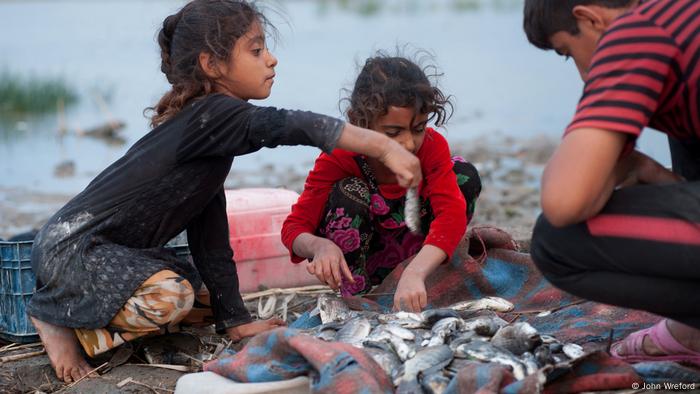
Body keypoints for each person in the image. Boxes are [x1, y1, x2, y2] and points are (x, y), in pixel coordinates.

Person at [27, 0, 423, 384]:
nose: (271, 59)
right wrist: (382, 145)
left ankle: (79, 313)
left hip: (103, 252)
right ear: (212, 65)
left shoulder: (211, 135)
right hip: (73, 247)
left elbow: (211, 240)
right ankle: (55, 318)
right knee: (172, 298)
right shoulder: (213, 114)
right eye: (256, 50)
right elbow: (292, 125)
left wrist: (234, 320)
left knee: (198, 304)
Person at [524, 0, 700, 366]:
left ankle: (693, 334)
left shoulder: (640, 30)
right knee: (676, 115)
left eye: (568, 52)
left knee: (556, 242)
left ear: (589, 17)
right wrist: (648, 171)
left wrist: (619, 167)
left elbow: (563, 201)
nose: (583, 73)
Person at [281, 54, 482, 313]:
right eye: (393, 133)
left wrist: (415, 272)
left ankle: (427, 279)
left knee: (463, 174)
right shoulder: (340, 157)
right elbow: (294, 228)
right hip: (366, 266)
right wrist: (320, 247)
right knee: (347, 192)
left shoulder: (432, 148)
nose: (409, 143)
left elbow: (450, 215)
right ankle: (359, 300)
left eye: (419, 128)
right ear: (359, 121)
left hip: (421, 258)